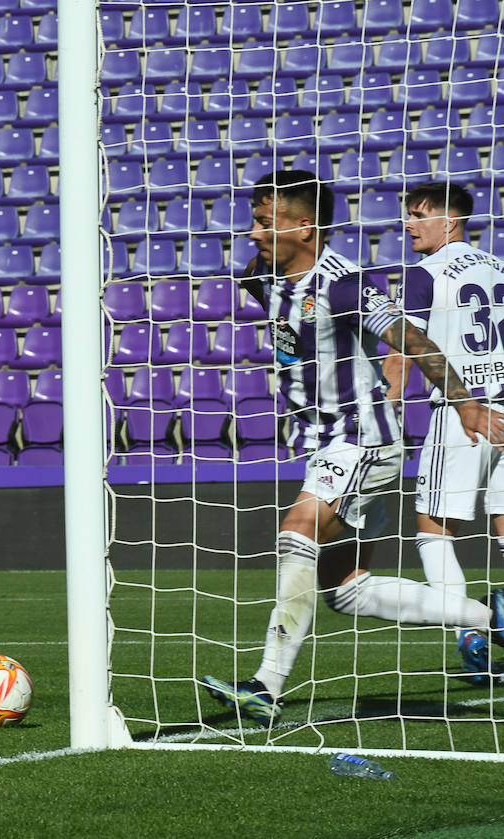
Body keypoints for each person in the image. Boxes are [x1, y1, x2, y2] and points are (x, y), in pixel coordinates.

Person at [199, 170, 504, 724]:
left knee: (298, 530)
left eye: (267, 224)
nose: (253, 234)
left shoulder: (343, 284)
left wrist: (463, 402)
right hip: (322, 443)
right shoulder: (267, 272)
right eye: (255, 222)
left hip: (362, 439)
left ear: (307, 229)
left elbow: (411, 338)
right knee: (346, 589)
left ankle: (265, 685)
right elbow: (258, 281)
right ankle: (492, 618)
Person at [382, 182, 504, 684]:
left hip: (463, 412)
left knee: (432, 527)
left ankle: (468, 634)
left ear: (448, 221)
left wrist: (386, 409)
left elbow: (403, 351)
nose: (408, 224)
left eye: (417, 215)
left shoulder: (424, 274)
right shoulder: (497, 266)